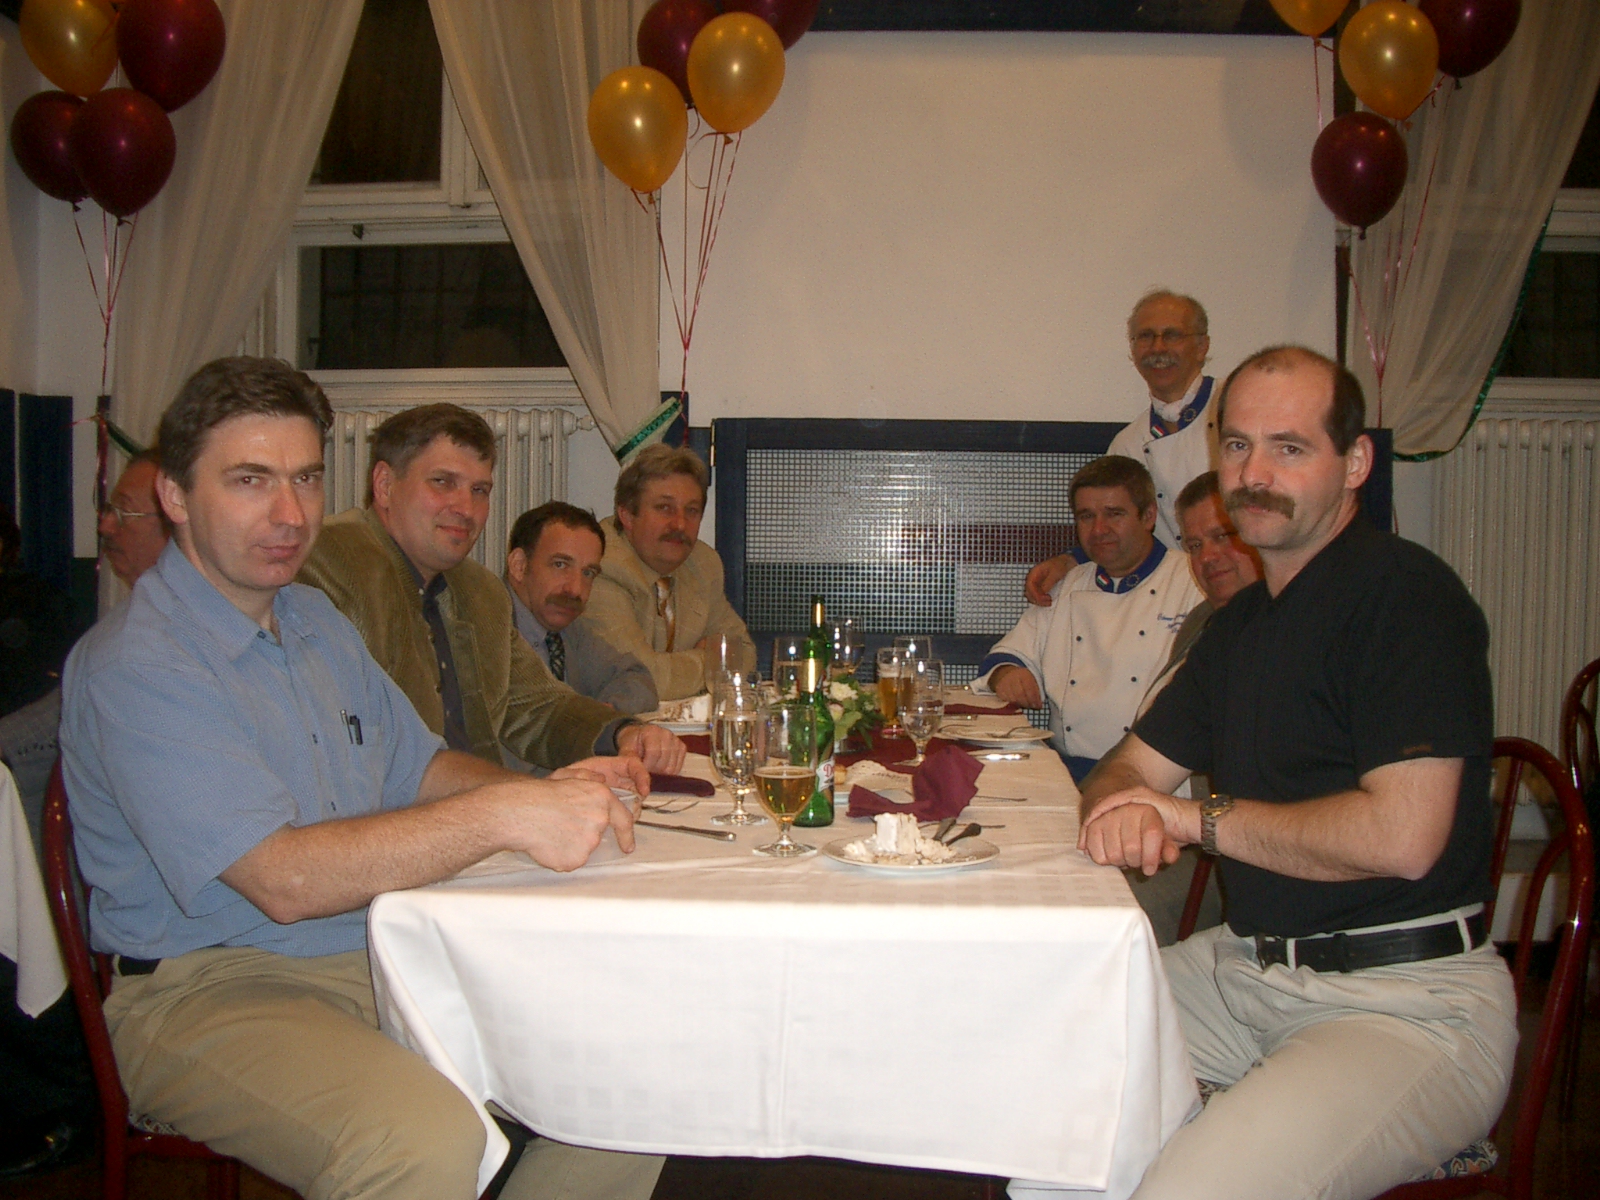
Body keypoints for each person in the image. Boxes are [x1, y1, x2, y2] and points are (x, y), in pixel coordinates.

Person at [59, 356, 664, 1200]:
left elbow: (421, 767)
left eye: (306, 478)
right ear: (174, 496)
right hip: (207, 989)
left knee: (631, 1073)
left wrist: (545, 792)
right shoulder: (140, 664)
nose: (289, 514)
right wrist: (505, 816)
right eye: (250, 480)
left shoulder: (311, 619)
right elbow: (285, 880)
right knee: (422, 1142)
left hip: (374, 946)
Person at [1078, 346, 1516, 1200]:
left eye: (1290, 447)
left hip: (1406, 1006)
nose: (1255, 473)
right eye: (1239, 445)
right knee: (1042, 1064)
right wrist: (1120, 804)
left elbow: (1402, 838)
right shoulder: (1240, 628)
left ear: (1355, 463)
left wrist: (1190, 819)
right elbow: (1129, 766)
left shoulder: (1406, 599)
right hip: (1247, 968)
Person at [298, 404, 684, 774]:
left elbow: (537, 706)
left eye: (480, 490)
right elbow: (358, 755)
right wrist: (519, 795)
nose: (466, 509)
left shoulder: (479, 590)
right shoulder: (326, 564)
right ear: (384, 485)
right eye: (443, 482)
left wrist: (623, 733)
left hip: (480, 804)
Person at [970, 455, 1201, 783]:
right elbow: (1008, 654)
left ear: (1149, 516)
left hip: (1156, 780)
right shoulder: (1067, 584)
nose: (1099, 530)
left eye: (1114, 514)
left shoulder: (1192, 580)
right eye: (1086, 516)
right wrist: (1007, 673)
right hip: (1065, 774)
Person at [1125, 470, 1262, 945]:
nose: (1208, 558)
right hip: (1158, 826)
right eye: (1195, 545)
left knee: (1095, 910)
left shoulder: (1280, 633)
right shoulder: (1203, 619)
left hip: (1219, 860)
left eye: (1223, 536)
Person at [1023, 289, 1218, 604]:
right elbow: (1118, 533)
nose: (1158, 348)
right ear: (1133, 350)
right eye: (1146, 337)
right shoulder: (1127, 443)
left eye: (1172, 335)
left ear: (1201, 346)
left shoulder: (1236, 411)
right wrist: (1068, 561)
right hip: (1171, 600)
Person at [584, 443, 757, 700]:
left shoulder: (702, 563)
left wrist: (682, 667)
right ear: (627, 516)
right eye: (664, 508)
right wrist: (709, 660)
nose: (680, 524)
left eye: (692, 511)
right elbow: (640, 679)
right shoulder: (600, 565)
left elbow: (743, 652)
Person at [506, 502, 657, 715]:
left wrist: (599, 718)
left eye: (588, 573)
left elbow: (638, 680)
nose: (575, 590)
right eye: (560, 565)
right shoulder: (487, 629)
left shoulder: (569, 631)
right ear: (519, 565)